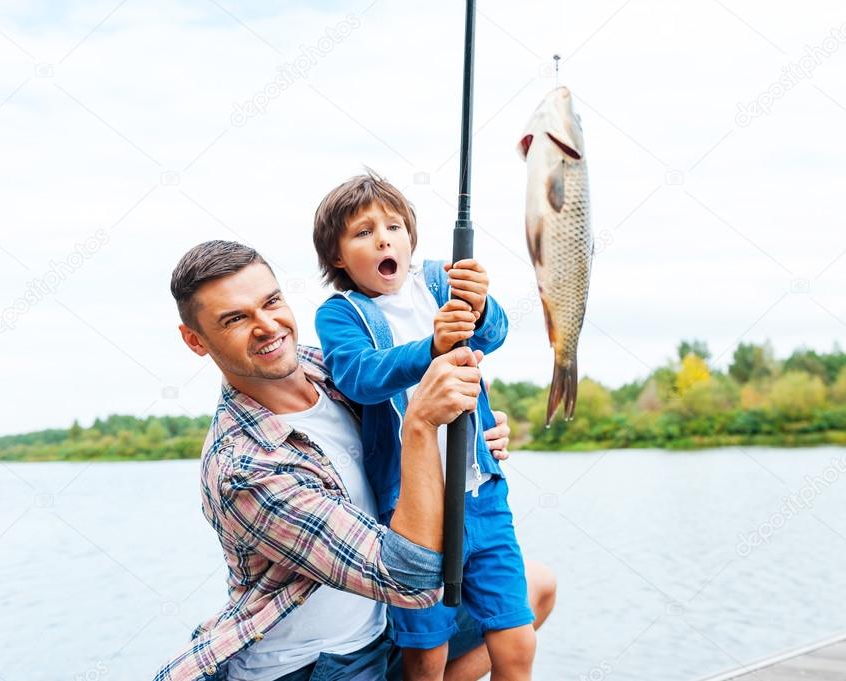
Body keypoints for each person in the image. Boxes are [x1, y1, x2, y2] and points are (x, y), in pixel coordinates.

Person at [154, 240, 554, 681]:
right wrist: (421, 425)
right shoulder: (243, 467)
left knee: (535, 588)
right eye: (235, 319)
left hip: (382, 628)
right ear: (195, 340)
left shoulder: (327, 369)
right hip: (317, 664)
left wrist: (470, 434)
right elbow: (408, 580)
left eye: (271, 302)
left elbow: (406, 381)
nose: (267, 326)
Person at [312, 173, 535, 681]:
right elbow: (360, 375)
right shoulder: (341, 313)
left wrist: (480, 304)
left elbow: (493, 335)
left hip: (482, 493)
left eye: (394, 226)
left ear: (412, 238)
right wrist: (430, 349)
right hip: (411, 509)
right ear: (339, 258)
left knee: (516, 635)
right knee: (426, 651)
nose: (384, 238)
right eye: (363, 232)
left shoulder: (439, 280)